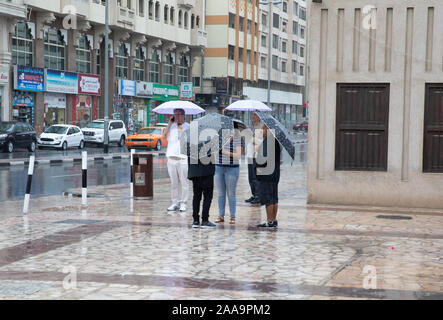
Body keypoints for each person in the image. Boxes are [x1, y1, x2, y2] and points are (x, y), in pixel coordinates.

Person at [162, 108, 190, 213]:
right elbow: (164, 136)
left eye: (179, 114)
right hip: (171, 156)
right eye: (175, 114)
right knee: (174, 182)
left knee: (184, 181)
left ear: (183, 115)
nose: (177, 116)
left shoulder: (188, 126)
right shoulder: (171, 126)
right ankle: (175, 202)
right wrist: (170, 123)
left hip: (183, 157)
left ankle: (183, 203)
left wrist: (180, 128)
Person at [256, 124, 281, 228]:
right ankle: (274, 220)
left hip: (267, 174)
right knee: (274, 198)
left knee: (268, 198)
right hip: (275, 173)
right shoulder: (275, 141)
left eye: (263, 128)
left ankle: (269, 221)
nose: (262, 130)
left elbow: (263, 158)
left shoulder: (268, 141)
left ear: (268, 129)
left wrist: (258, 152)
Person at [214, 132, 242, 225]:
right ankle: (221, 215)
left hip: (232, 169)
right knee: (220, 193)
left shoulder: (237, 139)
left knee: (231, 193)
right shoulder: (219, 138)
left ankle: (232, 216)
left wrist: (224, 152)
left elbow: (238, 156)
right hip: (219, 168)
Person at [187, 142, 217, 229]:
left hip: (195, 172)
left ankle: (195, 221)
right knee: (207, 196)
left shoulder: (190, 140)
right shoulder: (209, 139)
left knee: (196, 196)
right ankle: (205, 220)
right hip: (207, 172)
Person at [245, 112, 263, 205]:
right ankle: (253, 194)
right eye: (252, 114)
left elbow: (261, 142)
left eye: (255, 115)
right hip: (249, 155)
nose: (252, 116)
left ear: (259, 117)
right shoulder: (251, 127)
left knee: (256, 177)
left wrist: (251, 137)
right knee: (250, 177)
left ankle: (258, 196)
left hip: (256, 156)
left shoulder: (261, 128)